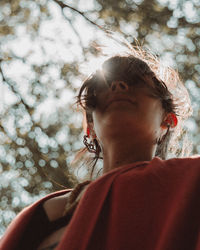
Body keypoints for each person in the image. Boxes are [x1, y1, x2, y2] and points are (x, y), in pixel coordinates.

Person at [0, 47, 200, 250]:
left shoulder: (193, 184)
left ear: (168, 120)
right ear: (90, 128)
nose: (117, 85)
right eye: (100, 87)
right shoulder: (39, 215)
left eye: (136, 81)